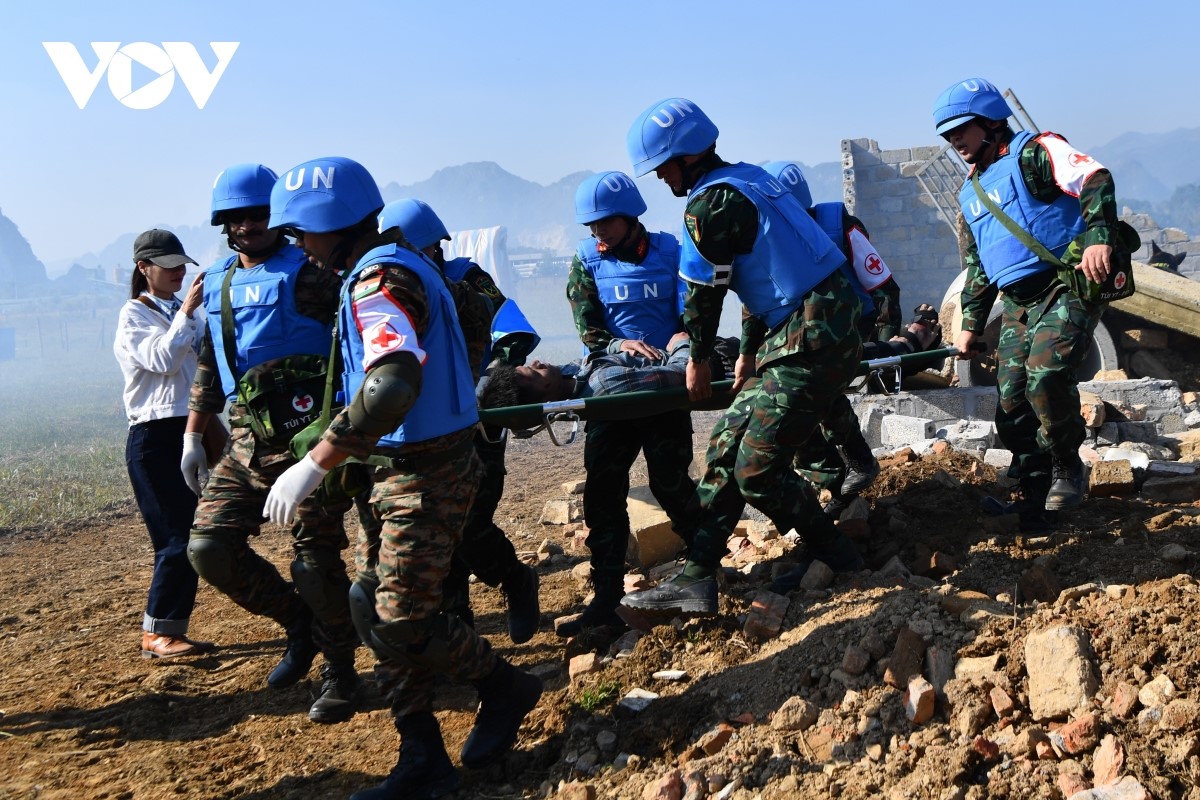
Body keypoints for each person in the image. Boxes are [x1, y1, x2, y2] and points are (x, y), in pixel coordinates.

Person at [264, 157, 542, 800]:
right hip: (394, 471)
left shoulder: (378, 280)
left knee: (399, 619)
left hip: (424, 473)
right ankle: (420, 753)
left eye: (301, 232)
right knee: (371, 605)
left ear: (330, 224)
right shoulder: (392, 266)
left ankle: (503, 686)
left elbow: (391, 383)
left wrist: (316, 461)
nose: (299, 246)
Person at [618, 97, 865, 618]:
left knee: (757, 471)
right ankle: (696, 576)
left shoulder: (709, 205)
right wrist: (749, 351)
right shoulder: (752, 178)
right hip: (807, 331)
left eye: (664, 166)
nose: (661, 177)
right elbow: (764, 278)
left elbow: (704, 294)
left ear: (687, 155)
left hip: (810, 338)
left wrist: (698, 358)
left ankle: (837, 555)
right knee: (727, 444)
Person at [181, 163, 360, 724]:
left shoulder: (311, 273)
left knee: (315, 562)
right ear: (223, 223)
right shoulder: (217, 281)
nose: (249, 225)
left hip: (310, 440)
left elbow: (357, 339)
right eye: (237, 217)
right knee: (209, 548)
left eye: (259, 214)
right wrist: (193, 433)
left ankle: (341, 668)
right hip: (245, 441)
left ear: (277, 217)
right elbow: (211, 361)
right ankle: (298, 625)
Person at [933, 78, 1120, 530]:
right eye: (948, 133)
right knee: (1013, 404)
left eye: (962, 129)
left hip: (1065, 285)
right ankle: (1036, 502)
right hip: (1016, 303)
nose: (955, 140)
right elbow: (979, 266)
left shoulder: (1036, 152)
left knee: (1046, 375)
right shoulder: (970, 192)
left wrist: (1099, 237)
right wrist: (970, 325)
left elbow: (1094, 177)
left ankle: (1068, 465)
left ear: (991, 122)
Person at [374, 198, 541, 644]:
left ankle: (515, 579)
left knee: (470, 522)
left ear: (435, 246)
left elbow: (513, 332)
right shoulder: (384, 287)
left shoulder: (467, 278)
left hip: (478, 418)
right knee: (437, 525)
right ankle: (458, 623)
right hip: (421, 423)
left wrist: (492, 375)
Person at [560, 170, 700, 636]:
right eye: (592, 224)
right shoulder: (585, 261)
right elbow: (588, 329)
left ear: (630, 215)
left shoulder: (670, 252)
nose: (597, 231)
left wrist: (683, 338)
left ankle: (704, 570)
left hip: (662, 390)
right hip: (613, 394)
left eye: (605, 222)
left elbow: (692, 310)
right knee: (603, 494)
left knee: (671, 484)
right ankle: (607, 599)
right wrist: (618, 344)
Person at [761, 160, 902, 510]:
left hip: (851, 332)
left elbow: (884, 288)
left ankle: (854, 469)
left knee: (819, 391)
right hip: (803, 338)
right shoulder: (770, 241)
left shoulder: (838, 227)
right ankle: (839, 483)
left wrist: (884, 348)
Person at [114, 229, 213, 659]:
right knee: (176, 537)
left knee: (191, 533)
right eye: (167, 265)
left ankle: (169, 629)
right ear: (143, 267)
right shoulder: (134, 315)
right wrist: (188, 312)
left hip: (189, 430)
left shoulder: (180, 312)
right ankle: (156, 634)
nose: (178, 272)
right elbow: (163, 360)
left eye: (181, 265)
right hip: (153, 437)